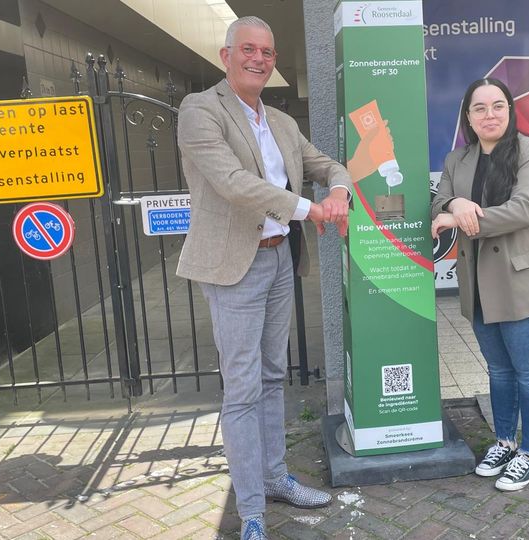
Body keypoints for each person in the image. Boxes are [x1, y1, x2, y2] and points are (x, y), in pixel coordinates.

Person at [175, 16, 374, 540]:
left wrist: (339, 192)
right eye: (248, 49)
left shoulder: (281, 122)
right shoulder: (200, 110)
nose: (259, 59)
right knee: (241, 389)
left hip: (279, 259)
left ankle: (276, 476)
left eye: (267, 51)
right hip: (233, 266)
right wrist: (311, 208)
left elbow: (330, 163)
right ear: (226, 55)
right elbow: (234, 184)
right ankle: (252, 511)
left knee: (270, 378)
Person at [431, 78, 529, 492]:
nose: (489, 115)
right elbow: (437, 201)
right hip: (480, 286)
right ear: (468, 117)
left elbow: (526, 208)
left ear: (510, 111)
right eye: (480, 108)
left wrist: (459, 218)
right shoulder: (458, 159)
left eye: (498, 106)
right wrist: (454, 203)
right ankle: (505, 441)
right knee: (499, 371)